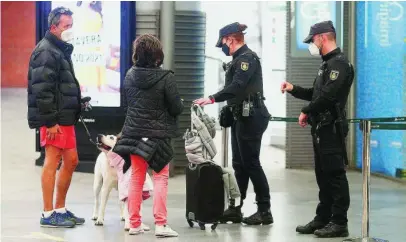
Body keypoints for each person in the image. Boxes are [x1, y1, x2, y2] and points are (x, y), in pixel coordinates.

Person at [194, 22, 273, 225]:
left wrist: (212, 98)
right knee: (240, 164)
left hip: (252, 117)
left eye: (223, 42)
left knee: (251, 163)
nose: (223, 47)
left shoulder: (246, 59)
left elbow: (237, 87)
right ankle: (235, 208)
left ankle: (265, 210)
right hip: (242, 116)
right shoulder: (237, 60)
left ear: (230, 39)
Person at [281, 20, 354, 238]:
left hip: (331, 128)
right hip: (321, 128)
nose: (312, 44)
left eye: (313, 39)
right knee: (323, 177)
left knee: (335, 176)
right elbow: (316, 93)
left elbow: (329, 97)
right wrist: (294, 89)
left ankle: (339, 222)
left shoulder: (340, 64)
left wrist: (305, 110)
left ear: (322, 37)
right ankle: (323, 218)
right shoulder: (327, 64)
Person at [113, 34, 184, 237]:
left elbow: (127, 105)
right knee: (160, 177)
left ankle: (134, 223)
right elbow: (176, 107)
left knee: (136, 177)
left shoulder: (129, 75)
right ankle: (161, 225)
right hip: (158, 135)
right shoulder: (166, 77)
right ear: (157, 54)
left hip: (134, 133)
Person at [27, 7, 86, 228]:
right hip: (55, 120)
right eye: (66, 26)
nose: (70, 30)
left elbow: (60, 84)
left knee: (71, 161)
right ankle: (47, 213)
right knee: (52, 161)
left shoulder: (59, 49)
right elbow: (42, 89)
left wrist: (78, 100)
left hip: (65, 116)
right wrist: (50, 121)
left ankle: (60, 209)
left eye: (71, 25)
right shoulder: (46, 51)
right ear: (54, 27)